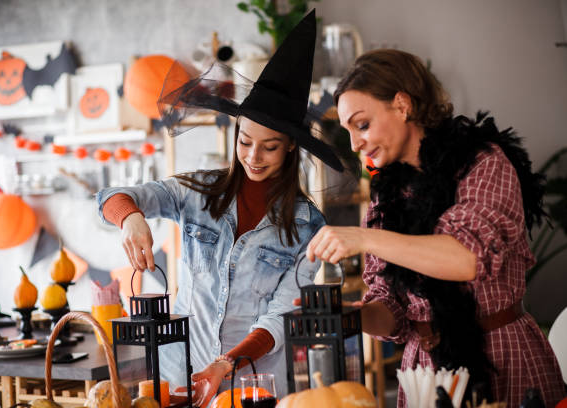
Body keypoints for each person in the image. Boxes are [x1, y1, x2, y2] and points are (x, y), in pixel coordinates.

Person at [97, 10, 346, 407]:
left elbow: (280, 316)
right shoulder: (198, 192)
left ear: (291, 147)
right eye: (245, 141)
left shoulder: (307, 225)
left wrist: (225, 364)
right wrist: (130, 218)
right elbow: (113, 195)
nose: (253, 157)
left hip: (252, 381)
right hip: (181, 374)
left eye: (270, 147)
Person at [306, 49, 565, 407]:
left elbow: (466, 259)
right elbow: (391, 311)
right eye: (348, 131)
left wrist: (364, 237)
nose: (354, 145)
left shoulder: (483, 162)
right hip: (425, 371)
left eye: (362, 125)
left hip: (502, 357)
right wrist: (348, 318)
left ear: (401, 105)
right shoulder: (387, 194)